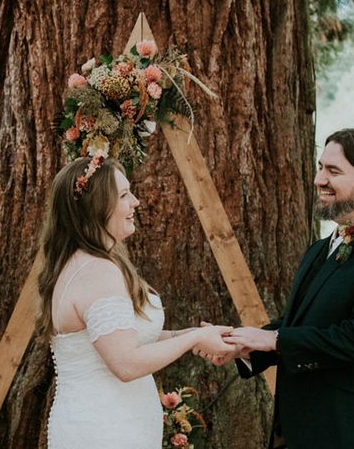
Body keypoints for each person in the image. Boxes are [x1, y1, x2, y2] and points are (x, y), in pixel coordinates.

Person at [203, 128, 354, 449]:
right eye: (321, 167)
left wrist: (274, 339)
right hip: (301, 427)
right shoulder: (319, 249)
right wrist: (244, 345)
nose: (319, 179)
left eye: (333, 171)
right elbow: (302, 325)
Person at [38, 155, 235, 448]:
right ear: (98, 206)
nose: (136, 202)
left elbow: (121, 340)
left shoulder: (85, 263)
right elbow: (126, 363)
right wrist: (195, 336)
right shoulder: (97, 271)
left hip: (107, 423)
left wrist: (191, 338)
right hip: (106, 431)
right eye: (124, 195)